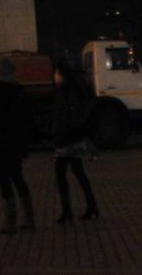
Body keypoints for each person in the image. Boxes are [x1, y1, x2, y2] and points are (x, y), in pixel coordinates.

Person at [0, 58, 35, 234]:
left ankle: (10, 221)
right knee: (18, 177)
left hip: (1, 143)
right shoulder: (19, 90)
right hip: (16, 142)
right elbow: (26, 118)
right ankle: (29, 218)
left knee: (4, 181)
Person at [50, 63, 101, 224]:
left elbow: (64, 116)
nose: (54, 76)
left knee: (61, 173)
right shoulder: (73, 90)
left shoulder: (65, 92)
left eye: (56, 73)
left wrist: (59, 133)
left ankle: (68, 210)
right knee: (78, 172)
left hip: (67, 138)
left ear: (62, 75)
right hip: (73, 138)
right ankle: (90, 205)